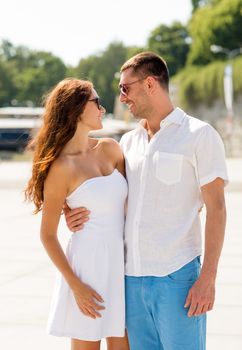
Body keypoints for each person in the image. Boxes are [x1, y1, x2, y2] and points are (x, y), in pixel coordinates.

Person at [65, 52, 228, 350]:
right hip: (131, 280)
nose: (122, 97)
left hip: (178, 278)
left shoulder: (199, 135)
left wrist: (208, 277)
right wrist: (69, 208)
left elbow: (216, 208)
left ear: (150, 84)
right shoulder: (128, 142)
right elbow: (104, 190)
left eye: (125, 88)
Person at [25, 78, 130, 350]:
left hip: (123, 265)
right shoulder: (61, 168)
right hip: (87, 270)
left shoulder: (111, 148)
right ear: (76, 108)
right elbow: (47, 235)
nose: (102, 109)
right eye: (96, 102)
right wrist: (76, 286)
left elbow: (133, 201)